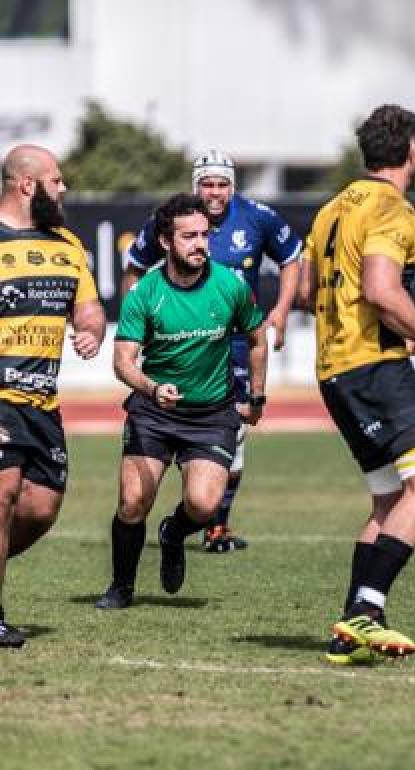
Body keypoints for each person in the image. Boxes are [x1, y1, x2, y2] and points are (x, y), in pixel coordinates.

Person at [301, 104, 415, 665]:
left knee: (390, 499)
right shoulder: (392, 207)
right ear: (413, 150)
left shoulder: (331, 209)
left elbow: (305, 292)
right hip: (374, 367)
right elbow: (380, 289)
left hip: (333, 370)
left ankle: (350, 627)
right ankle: (367, 610)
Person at [123, 150, 302, 553]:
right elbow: (134, 267)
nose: (215, 193)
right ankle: (195, 515)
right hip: (182, 344)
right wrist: (140, 319)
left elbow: (292, 258)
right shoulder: (171, 221)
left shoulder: (258, 217)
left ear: (232, 187)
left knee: (236, 430)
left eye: (222, 185)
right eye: (207, 184)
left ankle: (216, 524)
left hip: (238, 341)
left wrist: (282, 310)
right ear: (195, 186)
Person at [95, 194, 268, 611]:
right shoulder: (145, 292)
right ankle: (121, 586)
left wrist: (257, 397)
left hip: (212, 414)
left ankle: (173, 533)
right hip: (153, 411)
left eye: (204, 235)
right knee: (132, 503)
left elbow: (258, 339)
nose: (200, 244)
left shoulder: (230, 286)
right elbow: (122, 362)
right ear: (165, 241)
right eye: (189, 236)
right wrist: (152, 388)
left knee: (204, 505)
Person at [0, 145, 105, 646]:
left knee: (40, 510)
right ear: (27, 185)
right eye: (56, 180)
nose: (64, 189)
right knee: (2, 494)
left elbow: (89, 309)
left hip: (43, 403)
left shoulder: (67, 245)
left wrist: (90, 331)